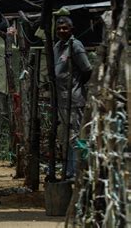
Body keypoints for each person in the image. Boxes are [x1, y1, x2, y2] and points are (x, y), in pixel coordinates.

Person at [54, 15, 92, 179]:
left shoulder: (75, 46)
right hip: (61, 100)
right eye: (59, 28)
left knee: (76, 135)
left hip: (74, 99)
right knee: (67, 136)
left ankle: (79, 172)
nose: (62, 30)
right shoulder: (57, 46)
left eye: (65, 28)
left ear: (71, 30)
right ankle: (69, 171)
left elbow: (87, 69)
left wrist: (76, 86)